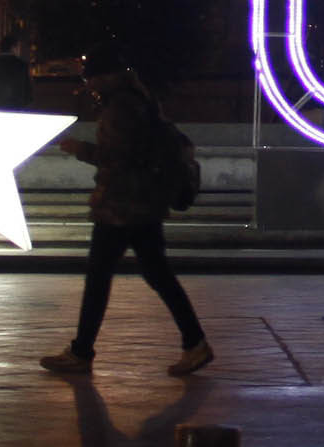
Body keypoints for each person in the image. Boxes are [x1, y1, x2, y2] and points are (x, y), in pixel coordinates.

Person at [41, 59, 211, 378]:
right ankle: (195, 342)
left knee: (99, 279)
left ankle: (81, 352)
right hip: (142, 205)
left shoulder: (121, 108)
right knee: (157, 276)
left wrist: (80, 149)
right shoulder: (142, 101)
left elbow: (118, 158)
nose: (88, 85)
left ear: (106, 77)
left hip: (121, 207)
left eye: (91, 78)